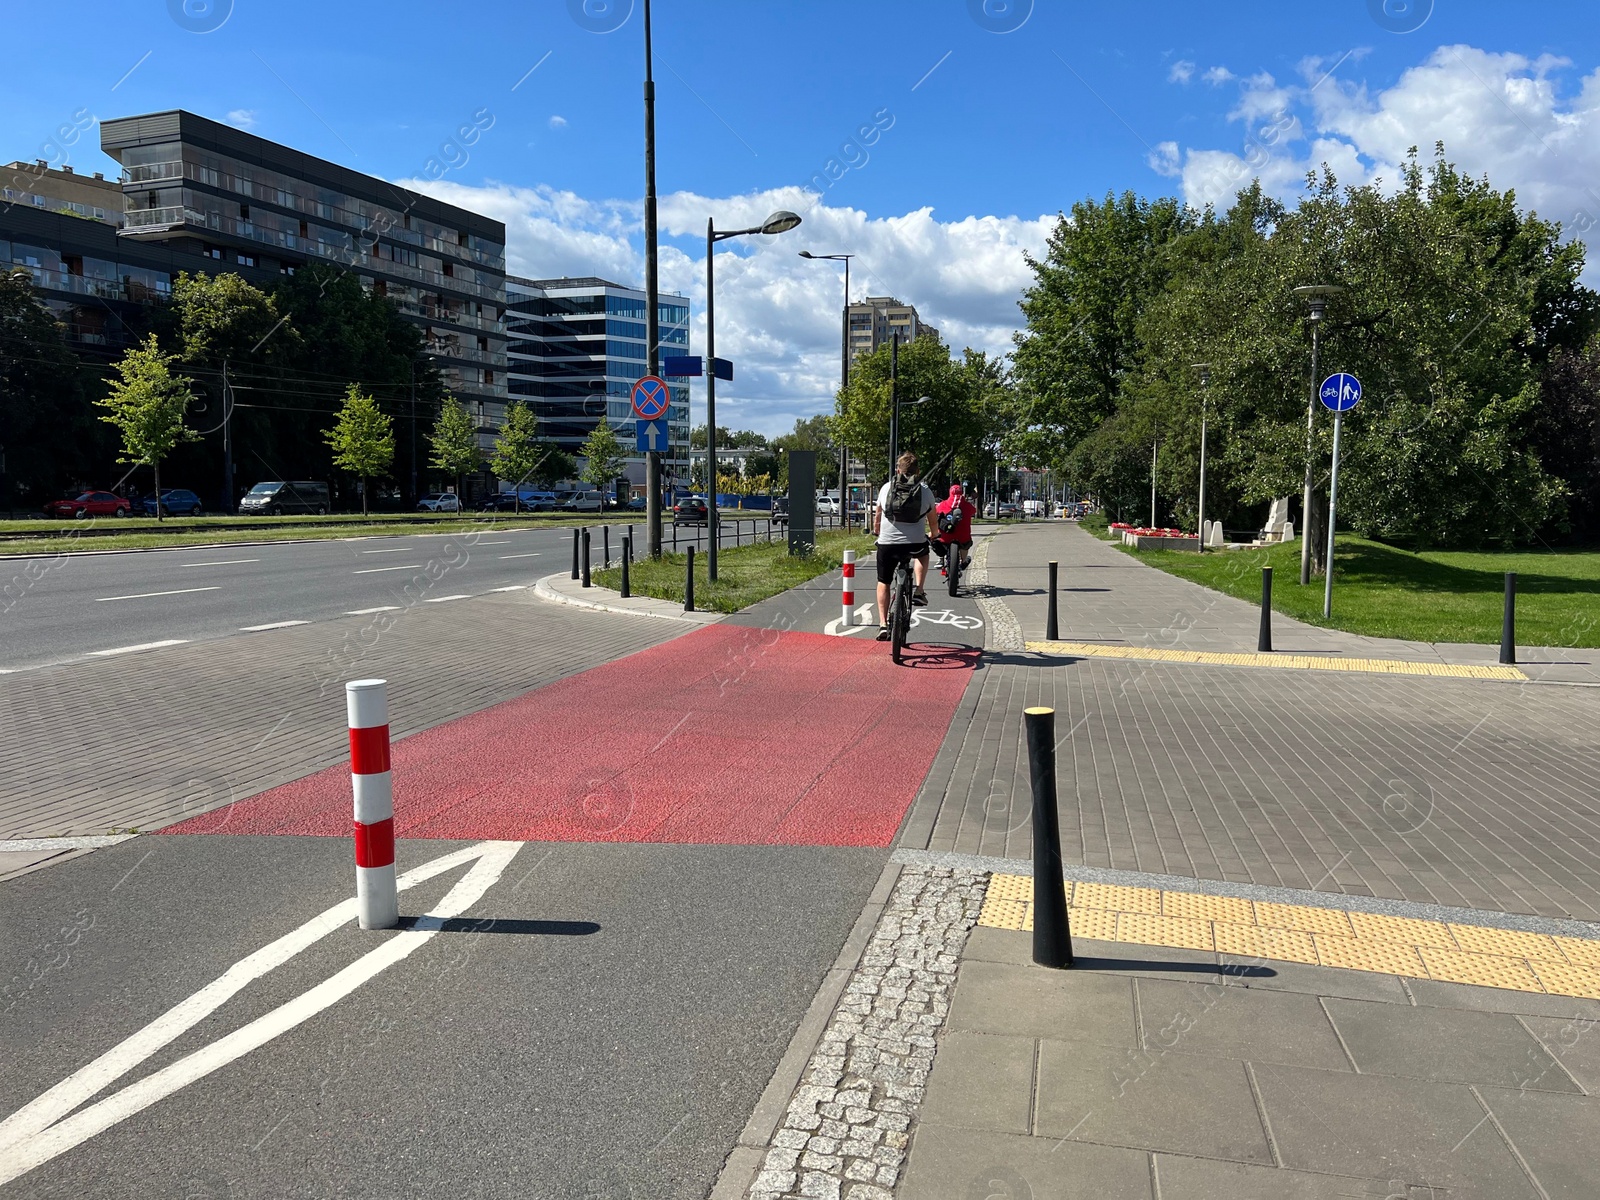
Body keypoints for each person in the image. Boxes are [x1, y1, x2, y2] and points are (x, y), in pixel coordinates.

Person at [873, 451, 938, 640]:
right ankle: (919, 590)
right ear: (917, 471)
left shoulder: (886, 488)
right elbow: (933, 521)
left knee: (883, 582)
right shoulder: (925, 490)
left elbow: (877, 515)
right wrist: (934, 534)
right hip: (915, 543)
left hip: (887, 544)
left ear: (897, 470)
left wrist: (877, 531)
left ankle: (883, 625)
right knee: (923, 554)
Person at [932, 482, 976, 578]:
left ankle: (941, 559)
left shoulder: (942, 505)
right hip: (963, 537)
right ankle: (963, 561)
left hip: (945, 537)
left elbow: (935, 512)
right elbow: (974, 511)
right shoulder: (967, 506)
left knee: (937, 539)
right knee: (965, 545)